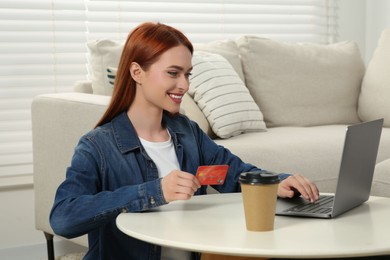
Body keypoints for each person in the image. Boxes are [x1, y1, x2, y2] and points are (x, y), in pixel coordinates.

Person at [50, 22, 319, 260]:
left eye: (187, 74)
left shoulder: (187, 132)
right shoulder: (97, 145)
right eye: (173, 73)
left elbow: (234, 173)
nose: (185, 85)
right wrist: (154, 191)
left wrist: (277, 182)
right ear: (136, 72)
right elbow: (63, 218)